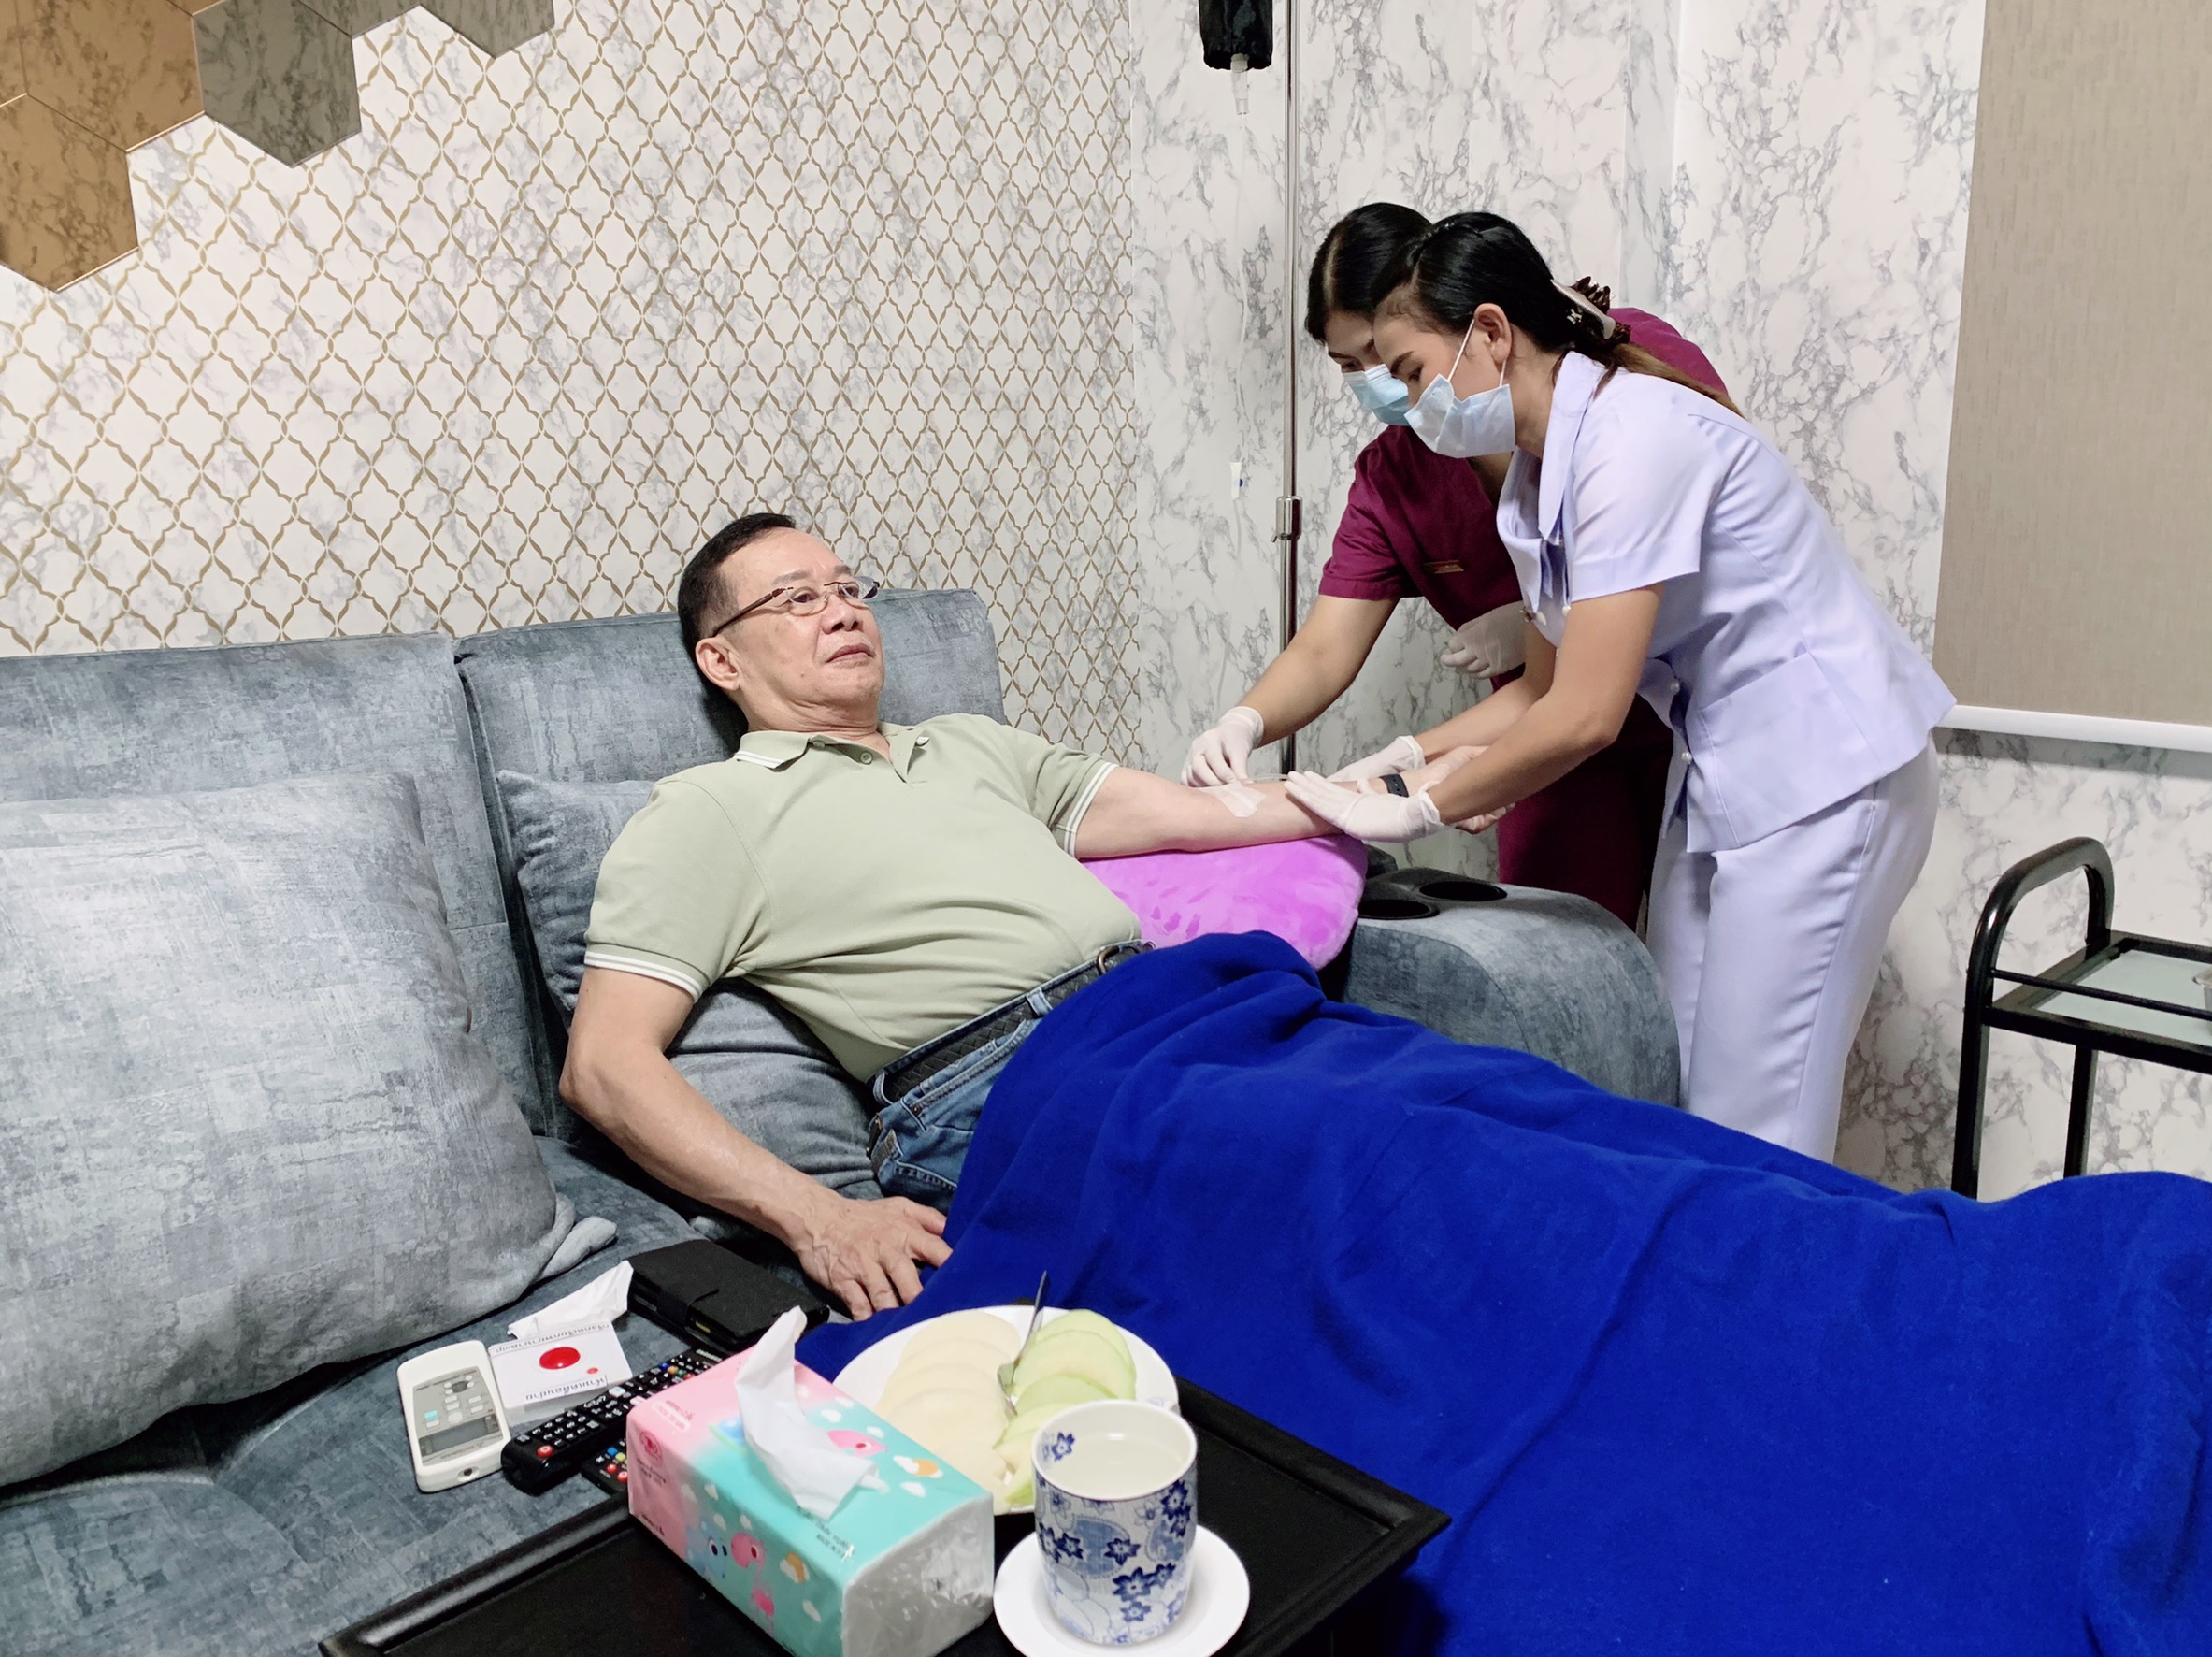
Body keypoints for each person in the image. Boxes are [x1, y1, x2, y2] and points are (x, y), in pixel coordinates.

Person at [561, 512, 1477, 1317]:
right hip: (1012, 1078)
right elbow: (602, 1067)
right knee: (1370, 1176)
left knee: (1457, 1102)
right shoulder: (706, 811)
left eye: (848, 588)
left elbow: (1198, 815)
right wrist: (818, 1216)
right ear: (720, 658)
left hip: (1174, 1010)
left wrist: (1410, 791)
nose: (842, 611)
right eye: (797, 599)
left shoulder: (969, 744)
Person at [1281, 213, 1953, 1160]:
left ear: (1489, 332)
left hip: (1825, 776)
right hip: (1727, 772)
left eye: (1411, 372)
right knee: (1665, 1075)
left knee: (1756, 1125)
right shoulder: (1533, 480)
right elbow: (1536, 693)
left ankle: (1775, 1261)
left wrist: (1416, 806)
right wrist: (1400, 760)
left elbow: (1587, 714)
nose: (1409, 403)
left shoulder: (1633, 435)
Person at [1183, 204, 1728, 929]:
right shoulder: (1404, 473)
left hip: (1685, 717)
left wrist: (1421, 796)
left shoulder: (1609, 394)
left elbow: (1714, 517)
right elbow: (1325, 648)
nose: (1381, 384)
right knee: (1560, 956)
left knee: (1714, 968)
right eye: (1350, 366)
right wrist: (1246, 721)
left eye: (1394, 361)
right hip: (1539, 725)